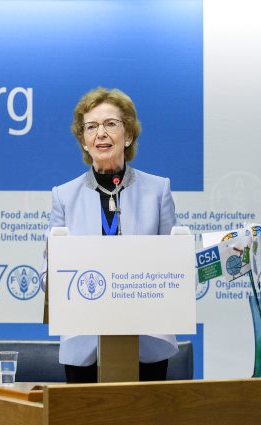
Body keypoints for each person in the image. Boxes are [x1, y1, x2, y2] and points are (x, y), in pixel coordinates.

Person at [46, 87, 178, 383]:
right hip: (84, 339)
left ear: (128, 135)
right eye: (90, 127)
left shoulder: (158, 191)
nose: (100, 134)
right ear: (83, 140)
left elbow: (175, 266)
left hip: (146, 338)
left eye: (110, 124)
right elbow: (49, 272)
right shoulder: (64, 196)